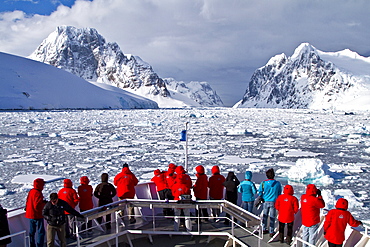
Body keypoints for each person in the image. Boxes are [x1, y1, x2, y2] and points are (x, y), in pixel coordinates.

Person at [258, 168, 282, 237]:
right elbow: (279, 192)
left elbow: (260, 191)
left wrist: (262, 197)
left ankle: (264, 228)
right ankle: (271, 231)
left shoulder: (263, 183)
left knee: (265, 215)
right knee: (272, 216)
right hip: (274, 202)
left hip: (265, 201)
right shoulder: (277, 183)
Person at [25, 178, 46, 247]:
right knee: (41, 232)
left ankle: (32, 244)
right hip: (37, 215)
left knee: (32, 231)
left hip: (30, 214)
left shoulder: (31, 191)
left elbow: (28, 201)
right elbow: (37, 205)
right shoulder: (38, 193)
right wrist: (44, 204)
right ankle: (39, 245)